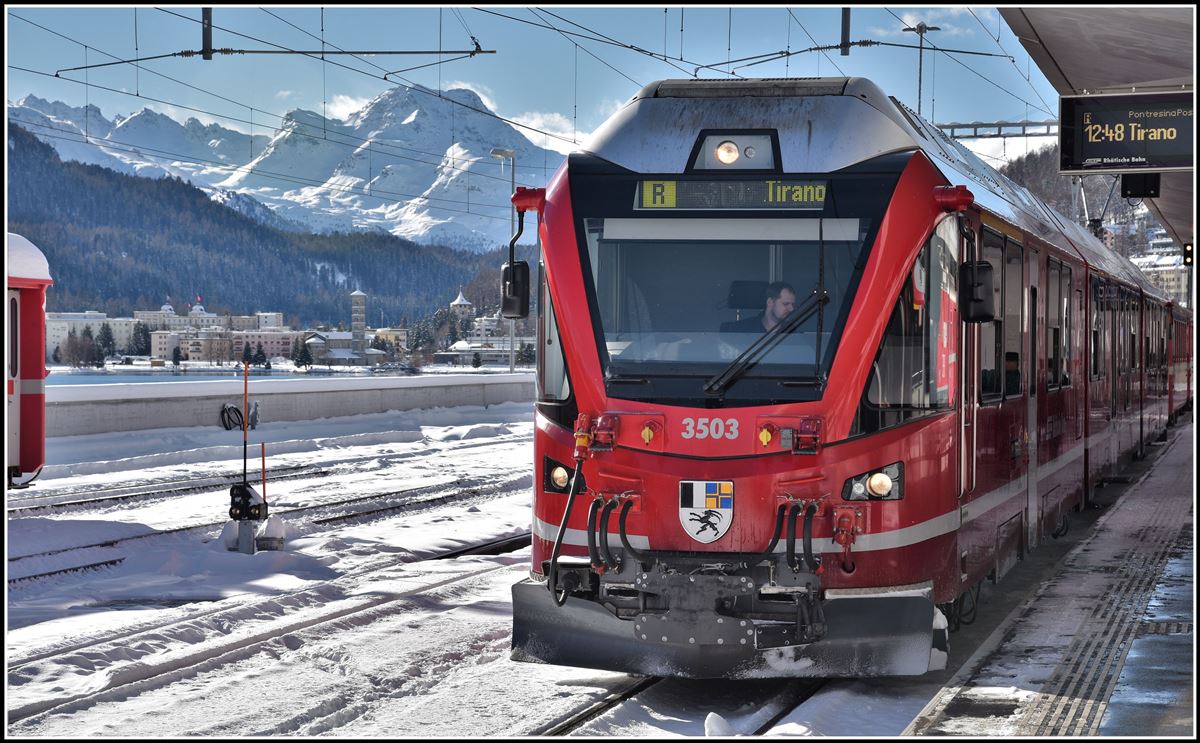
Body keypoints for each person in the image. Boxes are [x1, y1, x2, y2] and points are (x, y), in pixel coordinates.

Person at [721, 281, 796, 335]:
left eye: (792, 304)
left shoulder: (794, 333)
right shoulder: (738, 330)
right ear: (770, 302)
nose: (791, 309)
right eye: (786, 304)